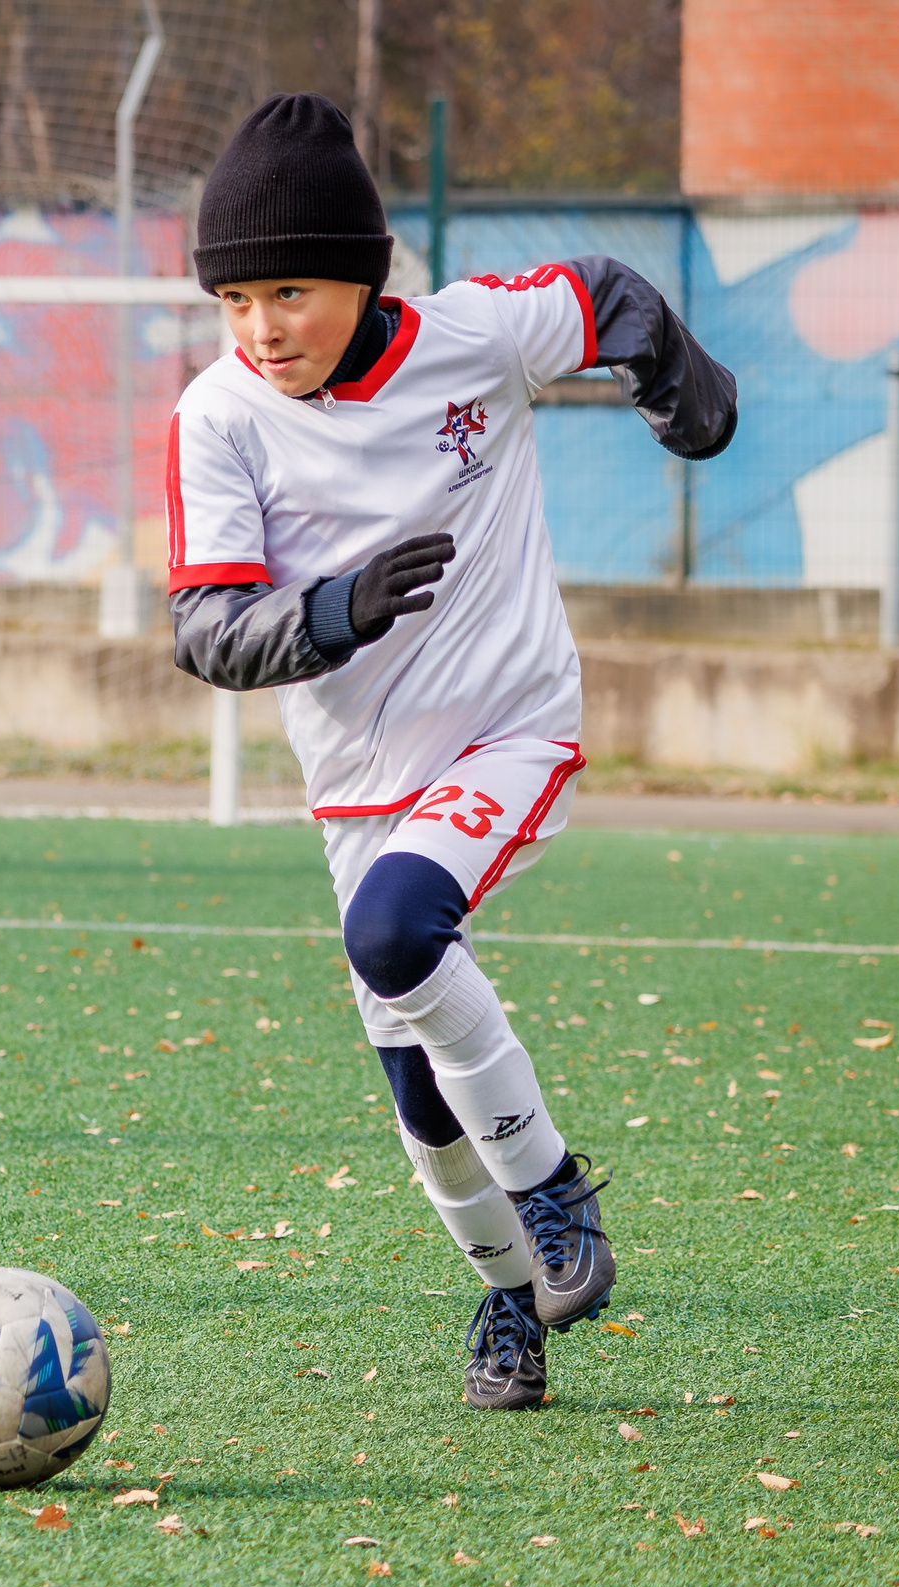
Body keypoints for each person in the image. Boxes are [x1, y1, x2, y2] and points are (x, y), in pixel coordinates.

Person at [164, 95, 736, 1409]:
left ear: (366, 275)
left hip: (509, 727)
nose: (261, 328)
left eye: (290, 291)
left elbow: (604, 295)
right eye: (234, 299)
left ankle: (552, 1187)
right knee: (421, 1099)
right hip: (355, 788)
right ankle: (510, 1297)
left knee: (395, 932)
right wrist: (330, 611)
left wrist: (683, 387)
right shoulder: (217, 417)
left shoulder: (471, 335)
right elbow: (203, 627)